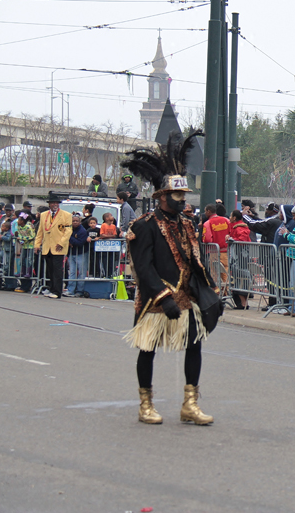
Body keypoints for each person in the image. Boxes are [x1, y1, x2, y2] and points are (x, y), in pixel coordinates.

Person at [121, 128, 220, 426]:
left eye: (184, 195)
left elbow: (195, 260)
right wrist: (163, 298)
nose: (182, 200)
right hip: (156, 300)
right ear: (162, 196)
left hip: (187, 298)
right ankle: (145, 404)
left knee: (195, 346)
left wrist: (210, 292)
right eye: (177, 195)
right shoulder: (144, 226)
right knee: (147, 350)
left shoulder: (188, 224)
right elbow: (143, 268)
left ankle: (190, 404)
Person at [244, 202, 283, 311]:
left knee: (271, 280)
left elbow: (256, 225)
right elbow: (261, 222)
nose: (266, 211)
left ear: (272, 211)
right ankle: (276, 301)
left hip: (270, 256)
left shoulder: (273, 221)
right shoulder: (276, 221)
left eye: (267, 210)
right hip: (273, 256)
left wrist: (244, 216)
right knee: (275, 279)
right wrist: (253, 216)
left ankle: (273, 302)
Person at [33, 194, 72, 298]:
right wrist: (37, 244)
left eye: (56, 203)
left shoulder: (66, 215)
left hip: (58, 247)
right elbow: (40, 231)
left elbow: (68, 231)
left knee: (57, 270)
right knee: (50, 269)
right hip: (47, 246)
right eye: (53, 203)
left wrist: (61, 243)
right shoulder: (44, 215)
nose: (55, 205)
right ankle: (52, 288)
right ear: (49, 204)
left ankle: (57, 291)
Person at [202, 203, 231, 295]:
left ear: (209, 211)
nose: (205, 213)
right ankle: (226, 293)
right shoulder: (226, 220)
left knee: (214, 273)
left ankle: (217, 294)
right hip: (226, 251)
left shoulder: (207, 223)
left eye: (205, 211)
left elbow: (207, 238)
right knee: (225, 273)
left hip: (213, 252)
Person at [228, 210, 251, 310]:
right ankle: (242, 302)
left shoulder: (240, 227)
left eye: (230, 215)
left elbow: (242, 241)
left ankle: (243, 303)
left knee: (240, 279)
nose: (229, 217)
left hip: (240, 259)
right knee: (238, 279)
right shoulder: (236, 226)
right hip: (237, 258)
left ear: (234, 217)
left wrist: (231, 239)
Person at [66, 214, 89, 297]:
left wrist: (69, 238)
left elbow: (80, 243)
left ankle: (80, 291)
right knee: (72, 272)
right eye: (73, 221)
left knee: (81, 273)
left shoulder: (82, 231)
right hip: (71, 254)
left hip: (81, 254)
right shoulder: (69, 229)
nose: (75, 222)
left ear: (80, 222)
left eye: (76, 221)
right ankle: (70, 290)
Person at [14, 212, 36, 293]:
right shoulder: (19, 227)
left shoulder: (28, 227)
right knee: (22, 259)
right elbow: (19, 234)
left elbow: (32, 236)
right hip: (24, 246)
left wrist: (22, 238)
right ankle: (22, 272)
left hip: (30, 246)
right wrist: (20, 240)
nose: (18, 221)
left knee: (29, 260)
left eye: (19, 220)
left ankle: (28, 272)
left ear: (23, 221)